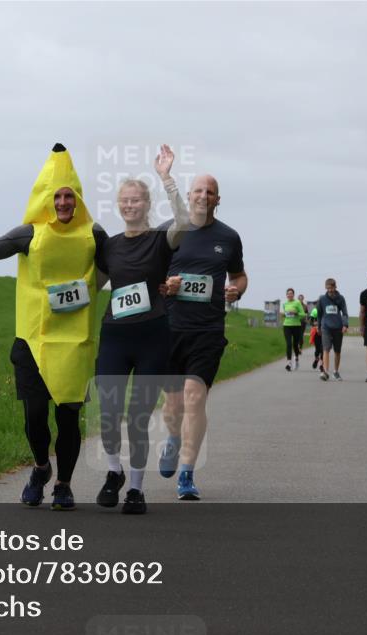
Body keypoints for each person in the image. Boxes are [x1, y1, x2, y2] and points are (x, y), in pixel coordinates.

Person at [0, 143, 106, 511]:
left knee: (67, 418)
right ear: (46, 199)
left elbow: (120, 264)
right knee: (34, 417)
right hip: (32, 340)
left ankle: (63, 484)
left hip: (74, 343)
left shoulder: (94, 234)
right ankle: (42, 467)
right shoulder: (29, 233)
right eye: (57, 196)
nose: (63, 202)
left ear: (78, 199)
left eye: (69, 195)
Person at [156, 150, 247, 500]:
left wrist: (237, 290)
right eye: (198, 191)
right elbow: (152, 277)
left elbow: (239, 276)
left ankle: (187, 474)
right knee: (173, 405)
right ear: (189, 195)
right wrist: (167, 285)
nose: (203, 196)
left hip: (208, 331)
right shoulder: (170, 232)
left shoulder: (230, 237)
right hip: (170, 327)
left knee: (196, 398)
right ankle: (173, 439)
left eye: (209, 192)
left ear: (217, 199)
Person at [94, 153, 182, 514]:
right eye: (124, 201)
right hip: (114, 334)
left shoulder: (162, 238)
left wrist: (166, 178)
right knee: (109, 411)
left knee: (139, 415)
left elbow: (186, 221)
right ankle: (113, 472)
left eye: (136, 200)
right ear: (119, 206)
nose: (130, 205)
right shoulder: (110, 246)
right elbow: (93, 287)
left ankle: (135, 489)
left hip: (152, 337)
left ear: (147, 204)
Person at [316, 278, 348, 381]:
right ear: (326, 287)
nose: (330, 290)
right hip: (326, 327)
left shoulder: (341, 298)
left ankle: (336, 372)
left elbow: (345, 313)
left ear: (335, 287)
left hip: (338, 327)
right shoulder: (322, 299)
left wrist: (345, 325)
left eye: (332, 288)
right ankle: (325, 372)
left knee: (337, 351)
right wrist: (319, 326)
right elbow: (319, 314)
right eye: (328, 288)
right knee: (326, 349)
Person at [281, 288, 306, 371]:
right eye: (288, 294)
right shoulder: (284, 304)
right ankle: (289, 363)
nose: (289, 295)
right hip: (287, 325)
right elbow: (284, 314)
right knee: (288, 344)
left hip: (296, 326)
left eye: (291, 293)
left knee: (295, 345)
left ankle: (296, 359)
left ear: (293, 295)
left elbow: (303, 314)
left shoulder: (297, 303)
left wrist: (296, 313)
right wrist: (283, 315)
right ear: (286, 295)